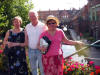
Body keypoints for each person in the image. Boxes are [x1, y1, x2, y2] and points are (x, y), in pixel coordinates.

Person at [25, 10, 47, 75]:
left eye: (34, 16)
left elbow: (47, 38)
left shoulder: (43, 26)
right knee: (33, 69)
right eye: (30, 16)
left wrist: (44, 48)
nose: (32, 17)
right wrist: (26, 49)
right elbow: (26, 38)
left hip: (40, 50)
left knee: (42, 68)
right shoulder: (27, 26)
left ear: (37, 16)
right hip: (31, 50)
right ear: (29, 17)